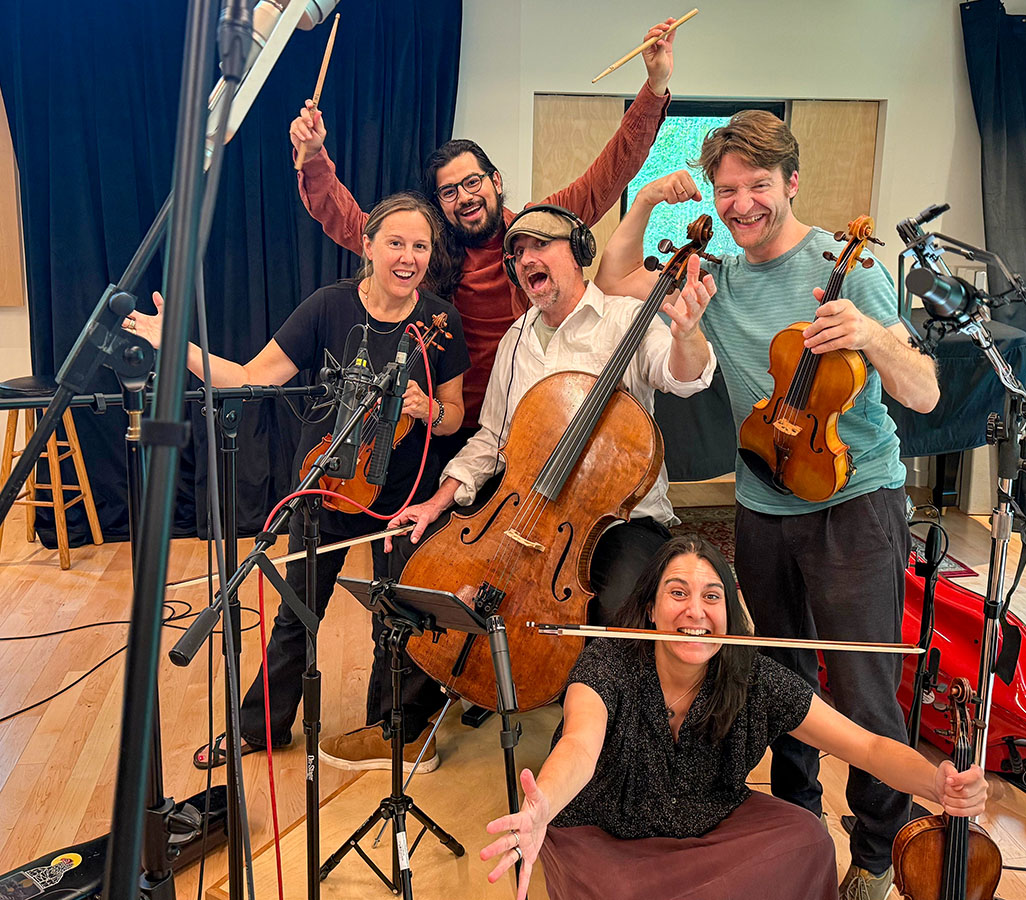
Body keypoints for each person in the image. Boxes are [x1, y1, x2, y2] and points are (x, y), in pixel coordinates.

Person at [595, 110, 941, 899]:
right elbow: (613, 279)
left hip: (856, 502)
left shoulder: (849, 268)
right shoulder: (716, 276)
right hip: (763, 501)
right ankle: (796, 825)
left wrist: (871, 335)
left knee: (863, 688)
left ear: (792, 183)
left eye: (758, 185)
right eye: (727, 190)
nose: (742, 204)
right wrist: (644, 200)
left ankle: (878, 853)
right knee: (778, 678)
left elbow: (923, 392)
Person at [125, 192, 470, 773]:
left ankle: (396, 729)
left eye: (420, 246)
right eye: (396, 243)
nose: (409, 257)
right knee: (296, 613)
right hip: (325, 485)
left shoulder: (441, 320)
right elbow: (249, 377)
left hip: (403, 500)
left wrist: (429, 409)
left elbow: (456, 414)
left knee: (400, 619)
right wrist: (176, 345)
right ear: (368, 245)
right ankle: (261, 726)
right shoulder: (329, 306)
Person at [479, 535, 987, 900]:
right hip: (604, 831)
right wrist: (543, 807)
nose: (695, 612)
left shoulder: (754, 677)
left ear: (729, 613)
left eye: (711, 596)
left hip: (705, 821)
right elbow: (579, 745)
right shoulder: (607, 662)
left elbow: (868, 747)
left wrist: (937, 782)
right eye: (678, 593)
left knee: (809, 838)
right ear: (651, 609)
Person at [287, 19, 680, 443]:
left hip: (532, 421)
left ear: (495, 180)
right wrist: (314, 156)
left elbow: (607, 176)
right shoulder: (428, 251)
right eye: (449, 191)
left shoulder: (537, 227)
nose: (464, 197)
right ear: (439, 203)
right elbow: (349, 221)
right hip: (449, 426)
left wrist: (654, 86)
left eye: (472, 182)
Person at [387, 204, 716, 627]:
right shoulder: (515, 339)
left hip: (618, 522)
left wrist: (687, 336)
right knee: (436, 567)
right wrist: (436, 503)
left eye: (540, 245)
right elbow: (492, 438)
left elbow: (682, 377)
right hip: (528, 507)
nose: (526, 259)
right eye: (518, 253)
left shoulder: (625, 318)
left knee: (621, 609)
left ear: (578, 252)